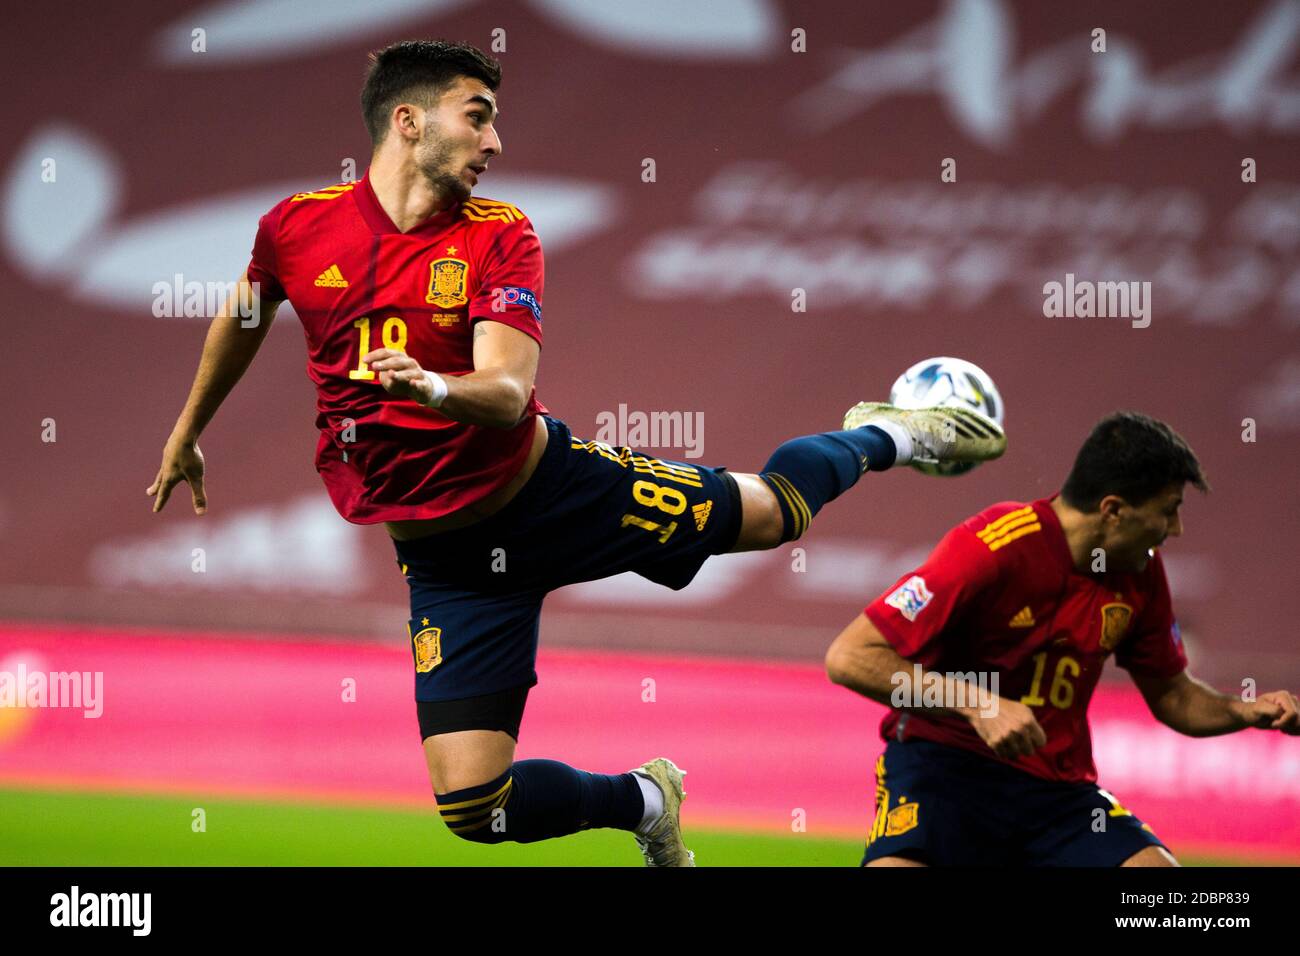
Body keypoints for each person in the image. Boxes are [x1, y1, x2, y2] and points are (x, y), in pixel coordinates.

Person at [147, 39, 1005, 866]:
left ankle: (896, 431)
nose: (494, 141)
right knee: (474, 813)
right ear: (407, 122)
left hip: (552, 493)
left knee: (775, 512)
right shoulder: (298, 226)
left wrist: (431, 388)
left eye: (494, 122)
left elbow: (508, 392)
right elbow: (247, 312)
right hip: (448, 562)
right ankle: (646, 801)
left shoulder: (500, 234)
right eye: (476, 117)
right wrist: (190, 427)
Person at [825, 411, 1299, 867]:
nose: (1174, 529)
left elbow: (1173, 695)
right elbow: (850, 657)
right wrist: (979, 705)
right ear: (1113, 510)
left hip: (1058, 796)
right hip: (942, 773)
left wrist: (1245, 711)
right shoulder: (994, 545)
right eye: (1168, 512)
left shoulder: (1141, 571)